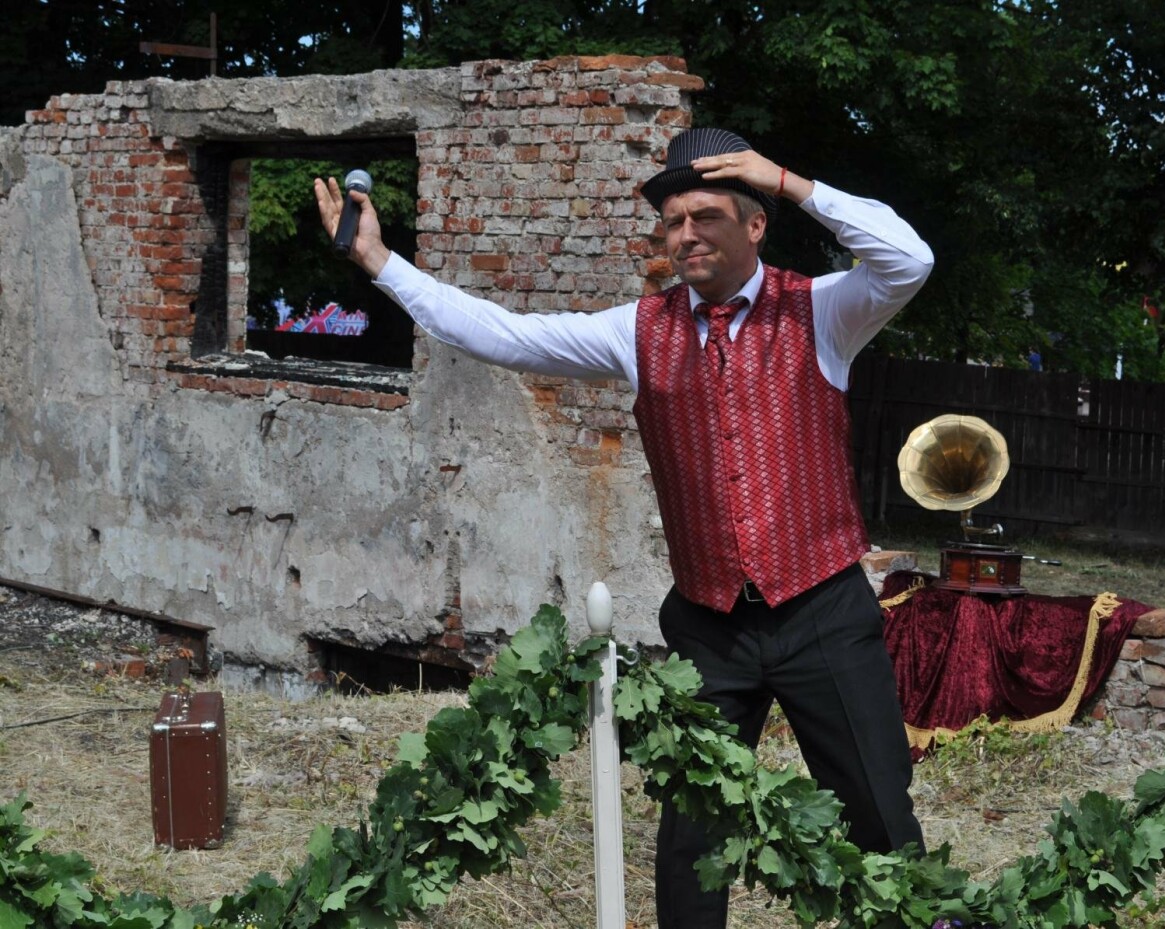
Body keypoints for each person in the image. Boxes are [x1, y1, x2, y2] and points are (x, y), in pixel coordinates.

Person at [314, 126, 933, 928]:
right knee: (688, 844)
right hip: (712, 628)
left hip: (824, 611)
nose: (685, 235)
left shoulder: (821, 311)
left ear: (755, 223)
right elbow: (502, 334)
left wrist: (787, 176)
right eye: (672, 222)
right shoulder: (638, 331)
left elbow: (908, 259)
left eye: (706, 215)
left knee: (878, 815)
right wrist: (379, 262)